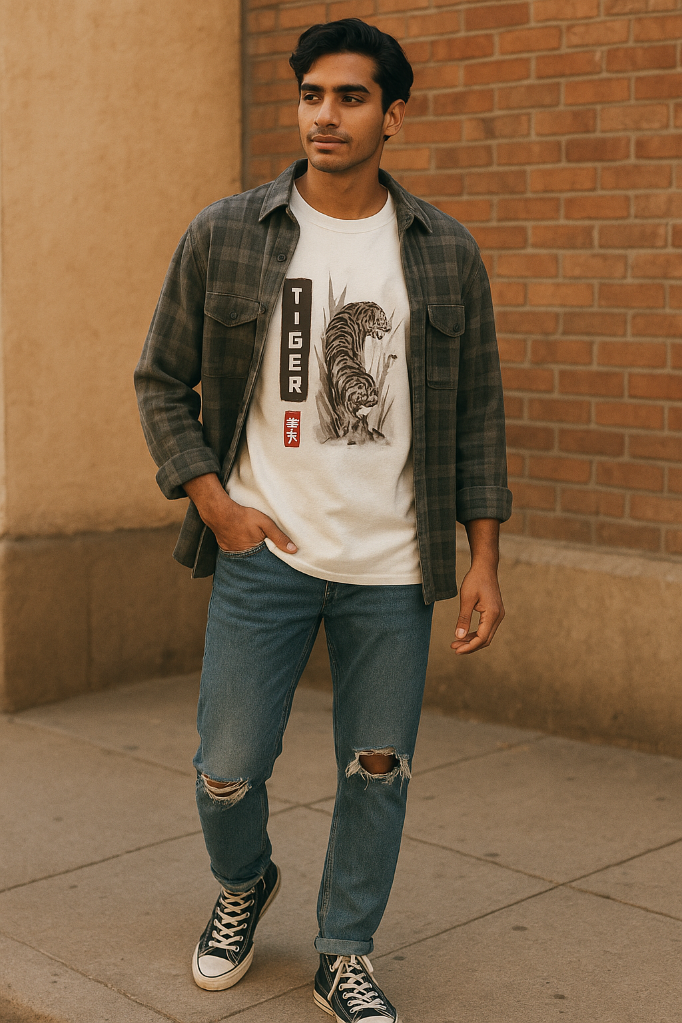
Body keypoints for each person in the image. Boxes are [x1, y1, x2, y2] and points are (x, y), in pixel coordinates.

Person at [135, 18, 511, 1023]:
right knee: (227, 767)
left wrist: (483, 559)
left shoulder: (443, 256)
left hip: (395, 563)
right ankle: (245, 884)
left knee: (375, 768)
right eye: (312, 95)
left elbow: (477, 416)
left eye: (349, 97)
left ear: (394, 112)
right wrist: (212, 501)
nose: (325, 116)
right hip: (268, 554)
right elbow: (160, 381)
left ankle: (344, 952)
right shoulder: (227, 234)